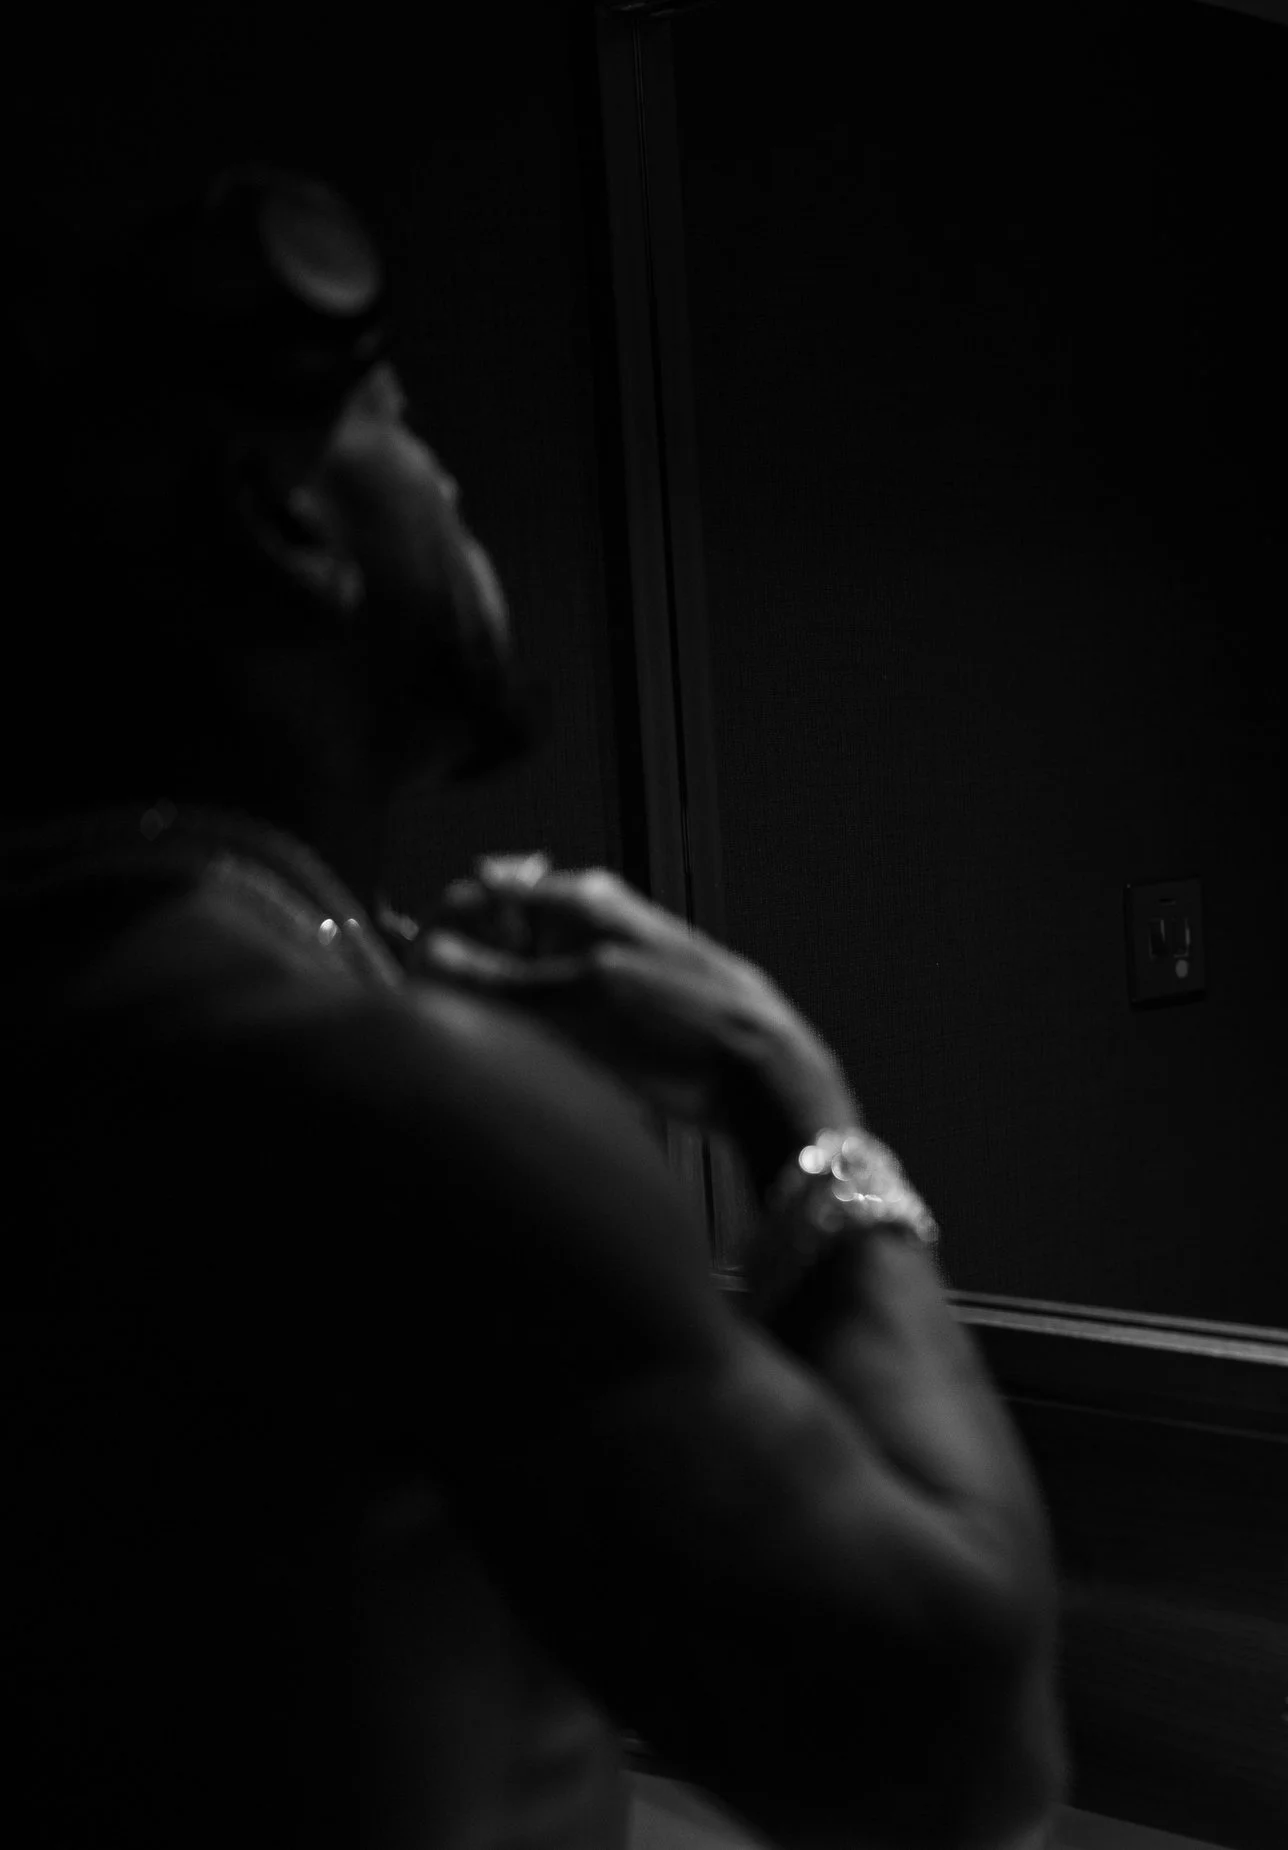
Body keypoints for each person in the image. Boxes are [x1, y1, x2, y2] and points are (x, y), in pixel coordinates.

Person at [1, 168, 1061, 1848]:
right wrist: (794, 1099)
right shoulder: (367, 1095)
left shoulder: (99, 1008)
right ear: (283, 517)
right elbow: (964, 1756)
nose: (446, 478)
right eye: (399, 424)